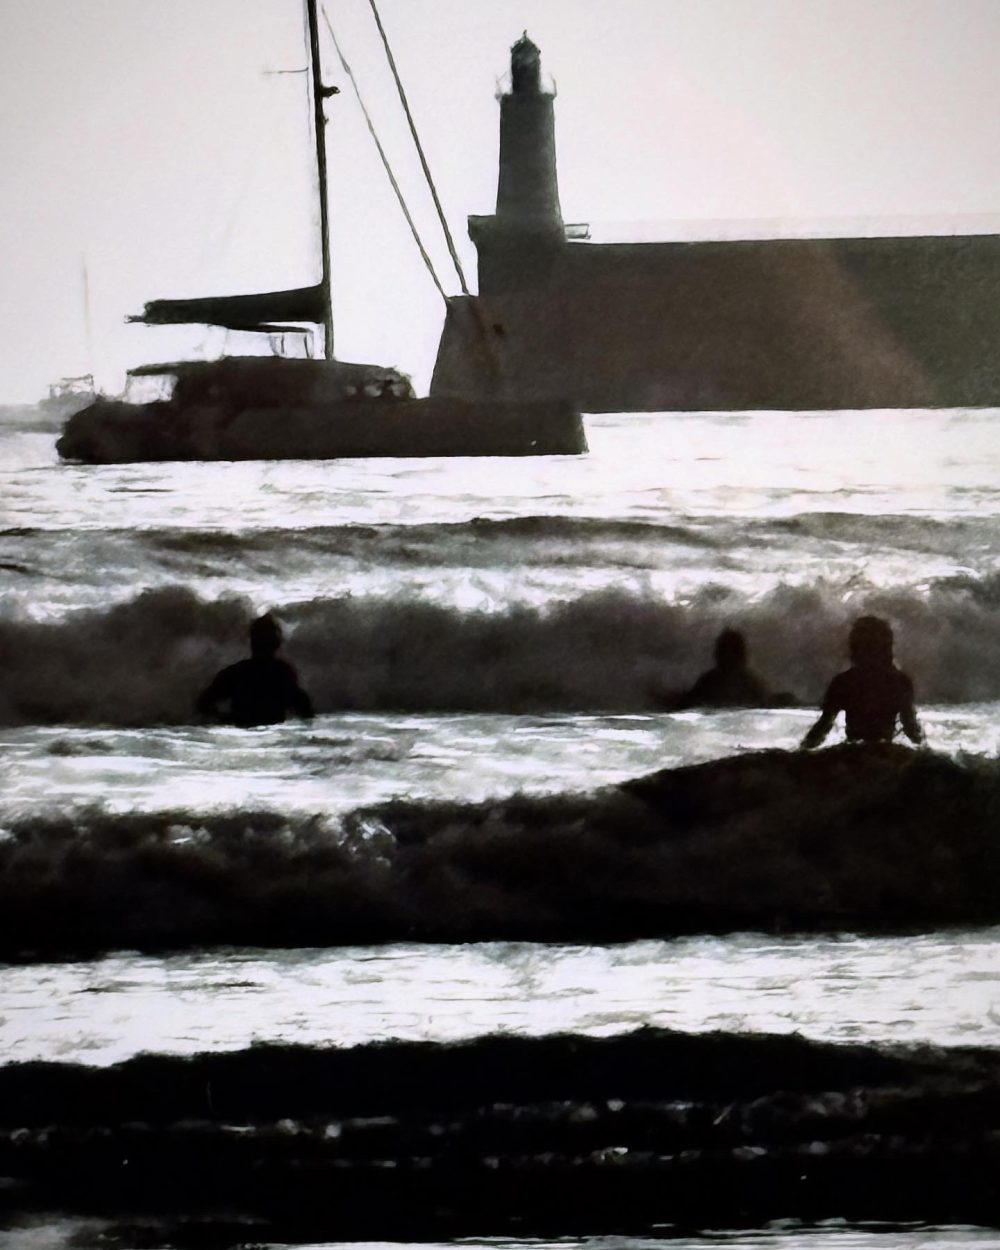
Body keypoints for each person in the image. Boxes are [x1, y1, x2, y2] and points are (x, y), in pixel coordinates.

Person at [801, 615, 923, 749]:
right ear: (887, 648)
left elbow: (822, 728)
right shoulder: (899, 682)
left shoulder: (844, 682)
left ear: (854, 647)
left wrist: (800, 753)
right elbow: (912, 730)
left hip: (853, 756)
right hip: (885, 754)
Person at [196, 614, 314, 727]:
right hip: (275, 737)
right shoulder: (283, 672)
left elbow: (203, 704)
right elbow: (305, 710)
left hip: (242, 736)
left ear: (252, 642)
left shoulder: (236, 672)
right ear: (277, 643)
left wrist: (225, 720)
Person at [675, 628, 778, 709]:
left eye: (721, 650)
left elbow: (687, 705)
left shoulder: (708, 681)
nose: (716, 653)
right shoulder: (754, 684)